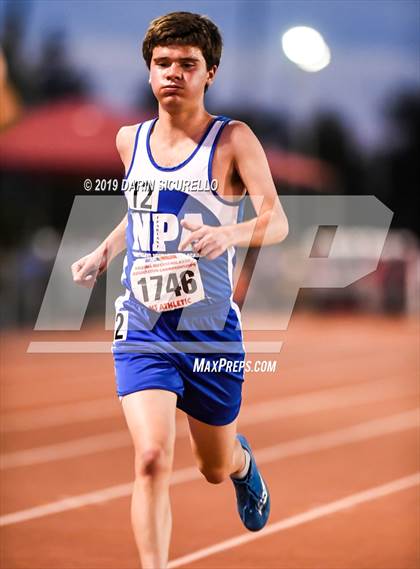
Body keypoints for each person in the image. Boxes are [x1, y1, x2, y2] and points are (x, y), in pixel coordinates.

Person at [71, 11, 288, 569]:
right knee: (149, 457)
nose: (173, 73)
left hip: (210, 333)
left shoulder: (233, 139)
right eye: (162, 63)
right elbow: (140, 210)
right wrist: (104, 251)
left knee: (213, 467)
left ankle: (242, 467)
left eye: (187, 64)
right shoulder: (129, 140)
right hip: (143, 326)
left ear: (209, 73)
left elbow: (278, 220)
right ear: (149, 73)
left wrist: (229, 232)